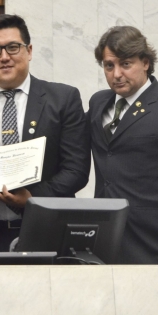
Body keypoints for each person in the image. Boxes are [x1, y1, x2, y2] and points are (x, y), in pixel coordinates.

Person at [0, 14, 90, 264]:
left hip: (46, 233)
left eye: (12, 47)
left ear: (29, 50)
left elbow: (76, 169)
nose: (4, 57)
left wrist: (33, 200)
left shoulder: (63, 99)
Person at [88, 26, 158, 264]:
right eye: (109, 66)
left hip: (149, 238)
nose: (116, 74)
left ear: (145, 63)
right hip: (105, 234)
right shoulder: (98, 103)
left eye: (125, 64)